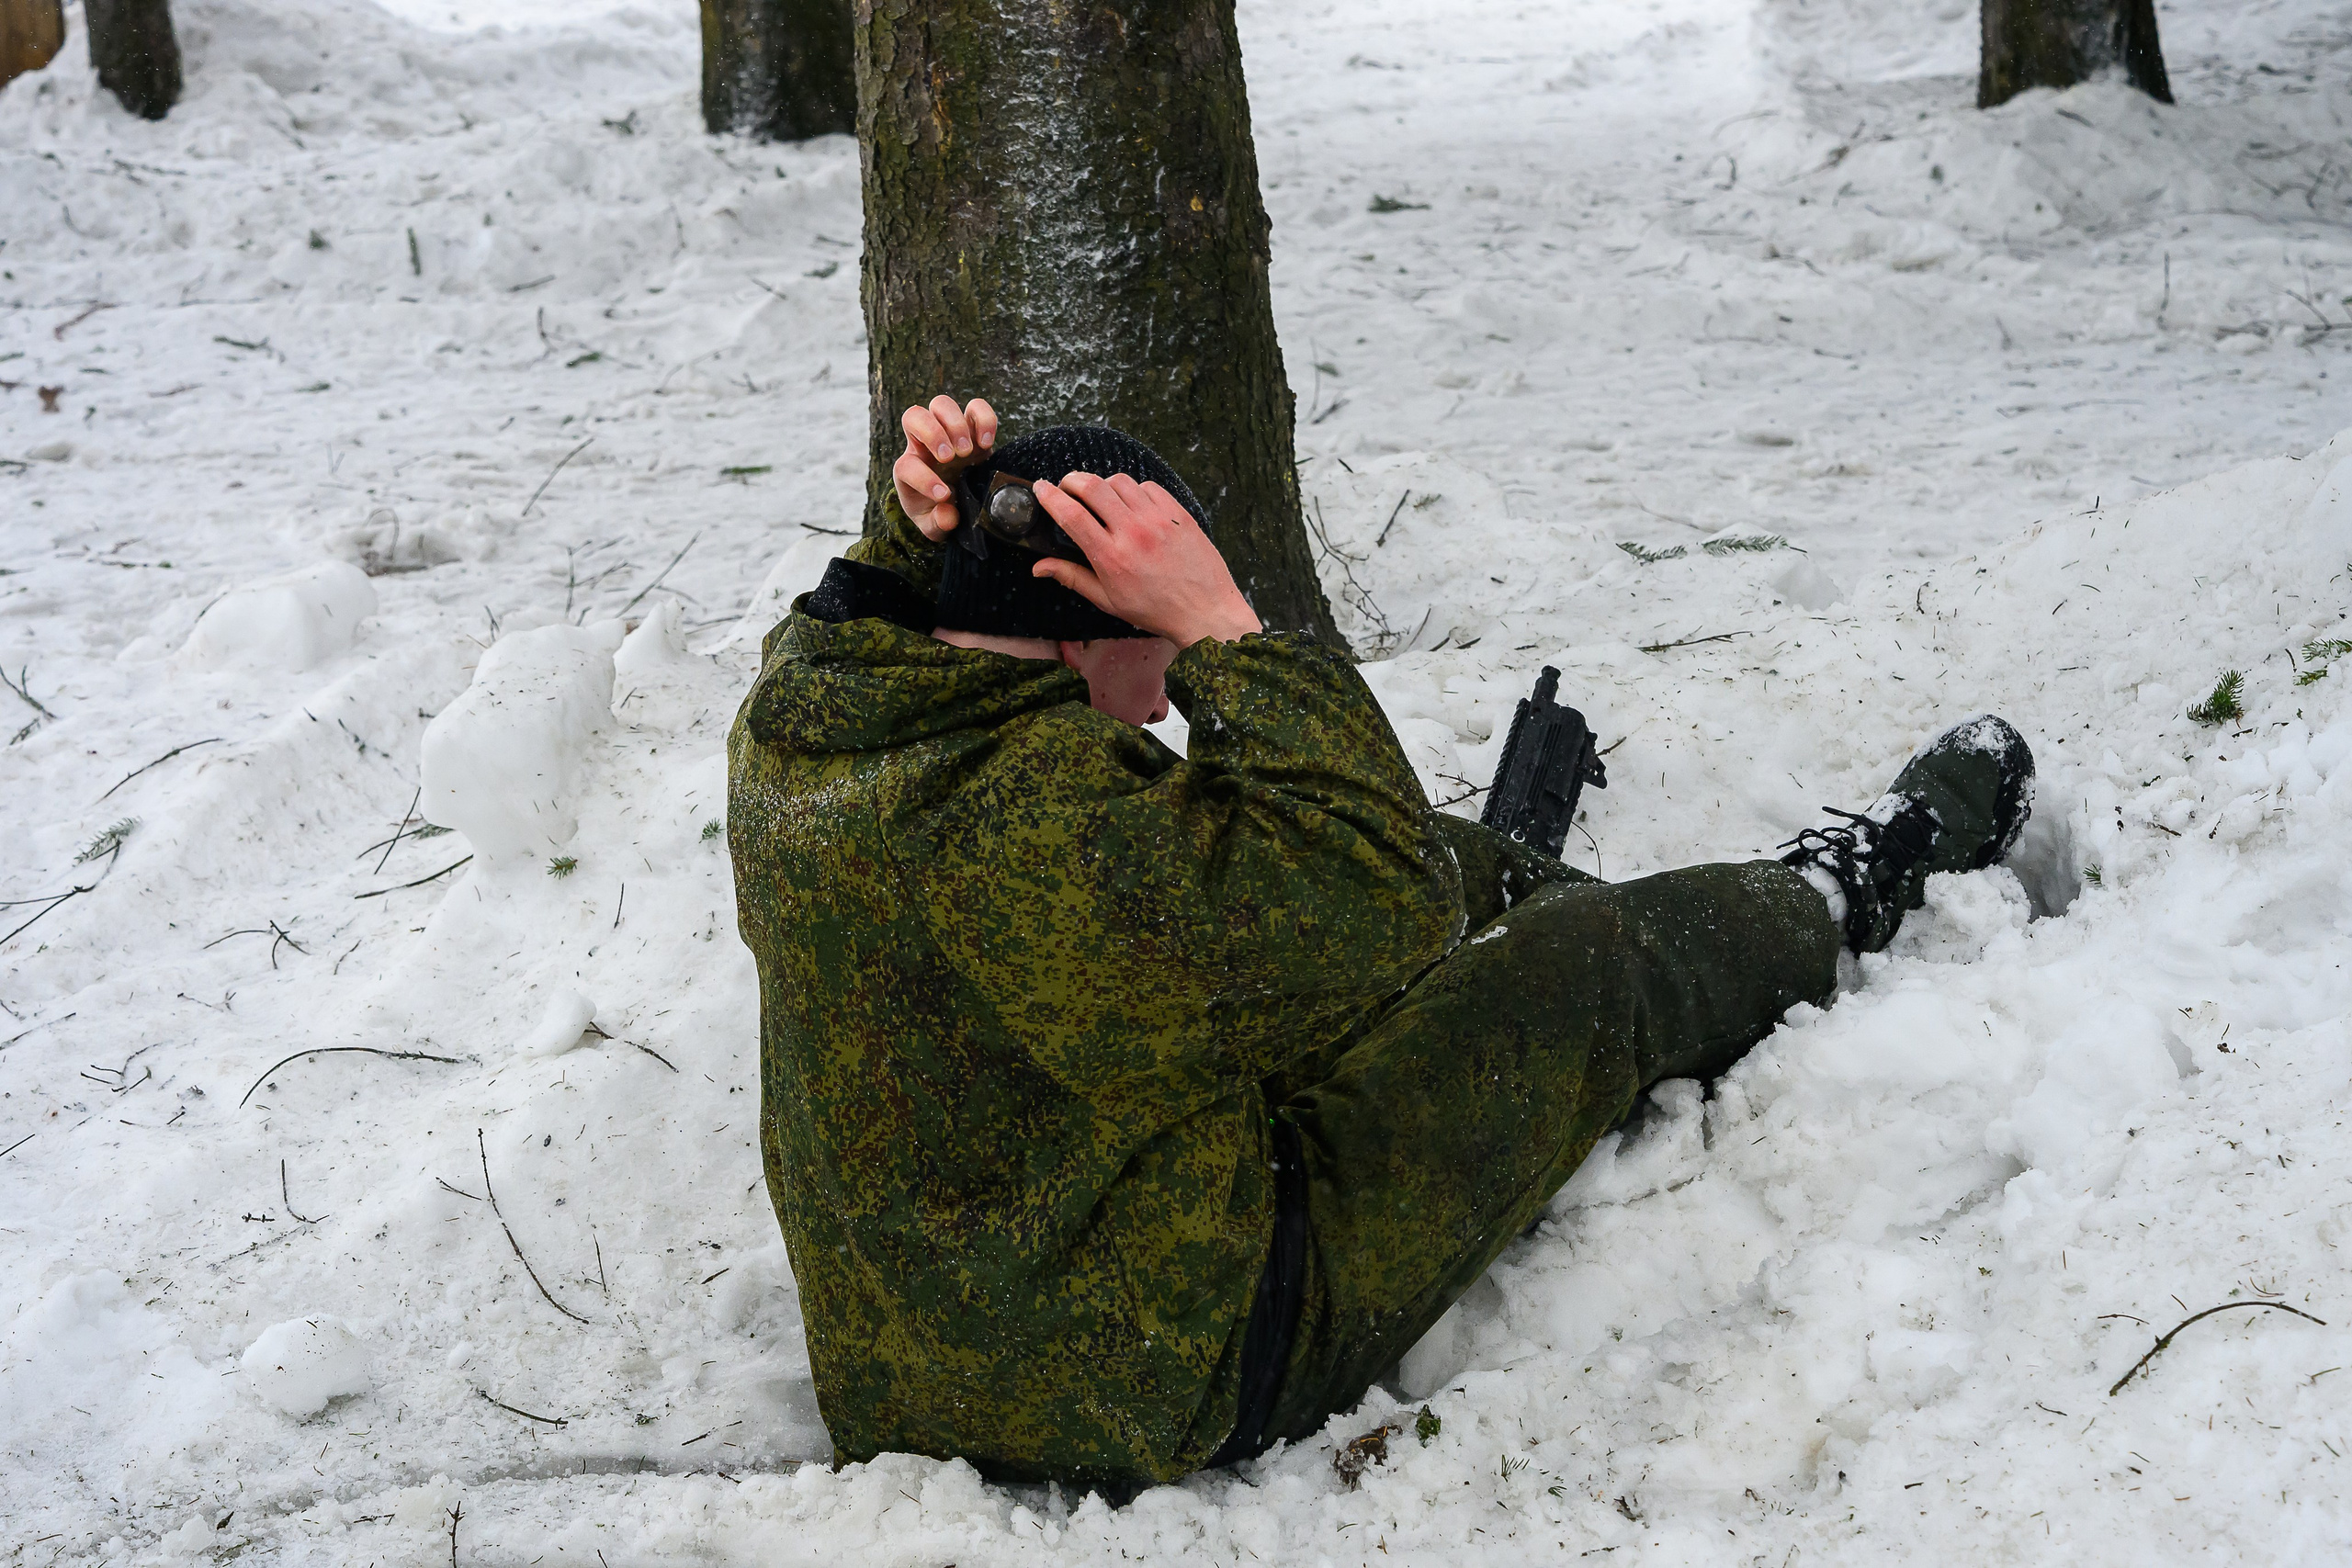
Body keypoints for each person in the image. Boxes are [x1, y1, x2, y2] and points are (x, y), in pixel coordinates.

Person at [727, 395, 2035, 1490]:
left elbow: (1342, 873)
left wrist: (920, 535)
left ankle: (1583, 901)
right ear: (1083, 625)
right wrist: (1227, 633)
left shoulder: (804, 732)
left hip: (917, 1360)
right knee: (1586, 962)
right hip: (1160, 1367)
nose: (1169, 691)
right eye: (1153, 636)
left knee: (1444, 873)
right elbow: (1381, 893)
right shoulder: (1058, 817)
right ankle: (1844, 890)